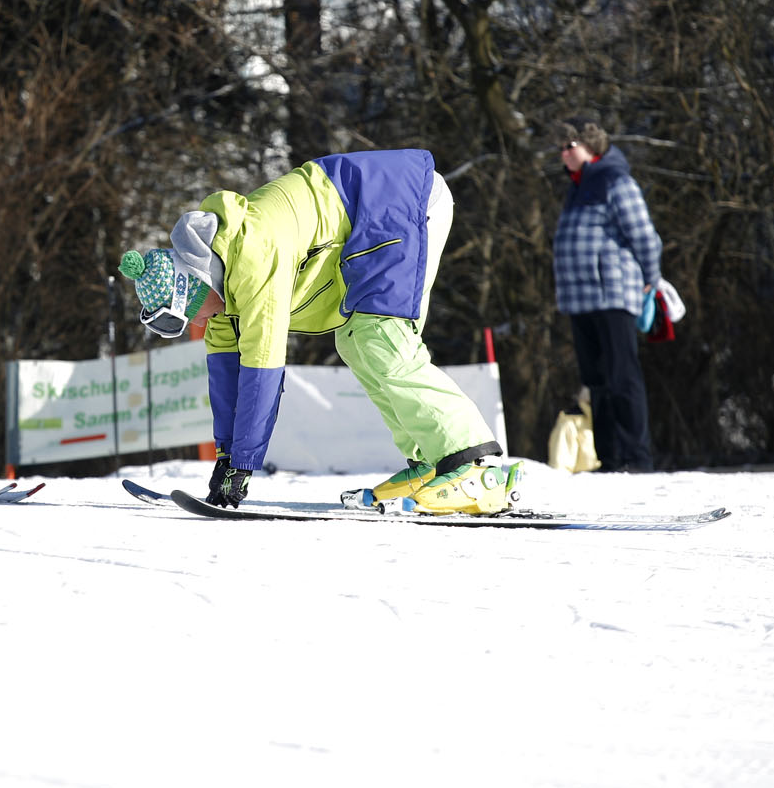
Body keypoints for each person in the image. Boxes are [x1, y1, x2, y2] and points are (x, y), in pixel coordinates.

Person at [119, 149, 518, 515]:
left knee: (379, 336)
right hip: (373, 213)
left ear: (194, 285)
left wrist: (242, 464)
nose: (195, 325)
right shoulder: (222, 284)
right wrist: (227, 454)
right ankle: (434, 461)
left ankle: (474, 466)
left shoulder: (254, 253)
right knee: (356, 340)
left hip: (400, 200)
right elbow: (227, 376)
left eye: (184, 315)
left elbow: (262, 368)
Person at [552, 115, 663, 472]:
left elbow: (644, 235)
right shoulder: (577, 186)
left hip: (612, 293)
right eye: (561, 148)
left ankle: (636, 457)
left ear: (590, 145)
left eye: (569, 146)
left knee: (622, 376)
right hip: (580, 298)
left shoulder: (615, 180)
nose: (563, 154)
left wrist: (651, 277)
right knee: (595, 380)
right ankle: (610, 457)